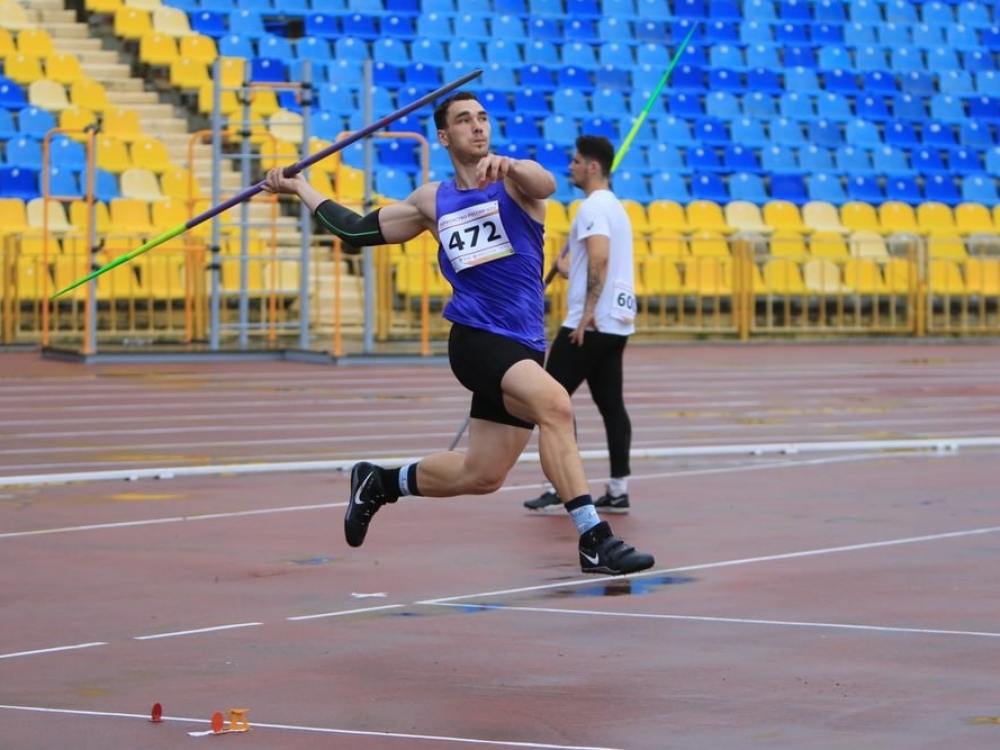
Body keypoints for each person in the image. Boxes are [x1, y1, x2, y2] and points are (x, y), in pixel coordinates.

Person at [262, 91, 653, 576]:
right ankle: (595, 538)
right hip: (474, 338)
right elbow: (358, 231)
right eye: (465, 120)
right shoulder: (432, 201)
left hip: (523, 342)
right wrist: (301, 188)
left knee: (482, 474)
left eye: (483, 118)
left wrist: (509, 167)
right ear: (445, 136)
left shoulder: (517, 183)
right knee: (556, 405)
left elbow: (547, 182)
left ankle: (380, 483)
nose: (478, 126)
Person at [524, 135, 636, 515]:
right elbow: (596, 263)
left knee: (548, 402)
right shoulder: (615, 207)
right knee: (610, 405)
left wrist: (587, 310)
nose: (569, 167)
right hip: (614, 325)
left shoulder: (591, 208)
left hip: (586, 326)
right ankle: (618, 489)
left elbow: (601, 259)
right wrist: (565, 269)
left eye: (575, 161)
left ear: (592, 167)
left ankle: (560, 488)